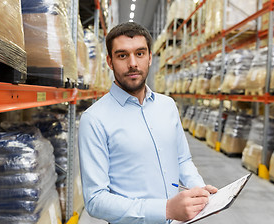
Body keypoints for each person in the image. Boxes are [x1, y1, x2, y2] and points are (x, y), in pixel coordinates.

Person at [78, 22, 217, 224]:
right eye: (122, 55)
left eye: (140, 53)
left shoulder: (167, 106)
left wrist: (199, 190)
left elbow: (182, 160)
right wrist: (166, 209)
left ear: (150, 57)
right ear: (109, 61)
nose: (133, 63)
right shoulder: (94, 120)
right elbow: (95, 200)